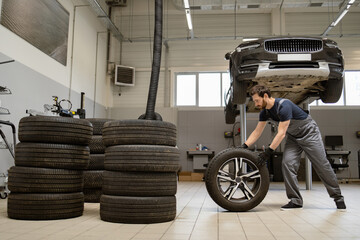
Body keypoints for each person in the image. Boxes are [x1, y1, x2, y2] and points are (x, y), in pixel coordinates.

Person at [241, 85, 346, 211]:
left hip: (309, 133)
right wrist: (244, 146)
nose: (256, 104)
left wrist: (268, 152)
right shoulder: (265, 112)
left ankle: (338, 197)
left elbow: (281, 133)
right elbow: (257, 132)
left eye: (257, 100)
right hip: (293, 137)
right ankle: (295, 200)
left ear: (265, 96)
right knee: (287, 164)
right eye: (254, 101)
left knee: (321, 164)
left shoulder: (284, 106)